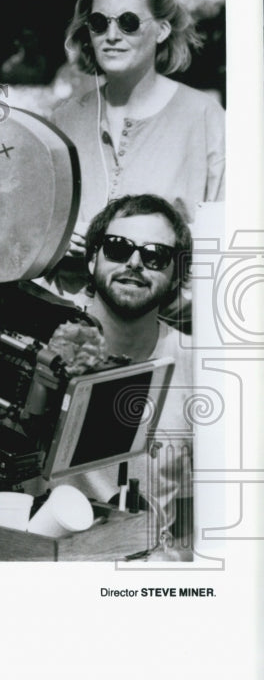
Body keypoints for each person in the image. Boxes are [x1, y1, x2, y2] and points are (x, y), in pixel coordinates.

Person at [47, 0, 224, 310]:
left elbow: (226, 249)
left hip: (164, 334)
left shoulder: (206, 118)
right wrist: (56, 241)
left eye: (128, 23)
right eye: (99, 23)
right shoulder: (64, 120)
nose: (112, 36)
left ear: (161, 30)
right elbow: (29, 234)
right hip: (63, 329)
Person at [74, 193, 195, 559]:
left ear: (177, 274)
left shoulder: (197, 363)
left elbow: (195, 515)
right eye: (117, 247)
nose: (135, 262)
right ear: (93, 256)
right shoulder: (38, 340)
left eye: (155, 255)